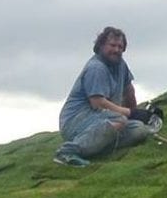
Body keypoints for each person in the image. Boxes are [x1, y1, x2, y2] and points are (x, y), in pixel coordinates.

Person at [54, 26, 153, 167]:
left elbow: (129, 90)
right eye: (112, 45)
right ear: (100, 46)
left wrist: (137, 114)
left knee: (139, 130)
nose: (117, 50)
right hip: (76, 120)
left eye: (120, 46)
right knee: (120, 119)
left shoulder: (121, 65)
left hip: (103, 119)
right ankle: (67, 152)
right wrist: (131, 113)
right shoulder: (96, 68)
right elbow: (98, 103)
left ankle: (95, 148)